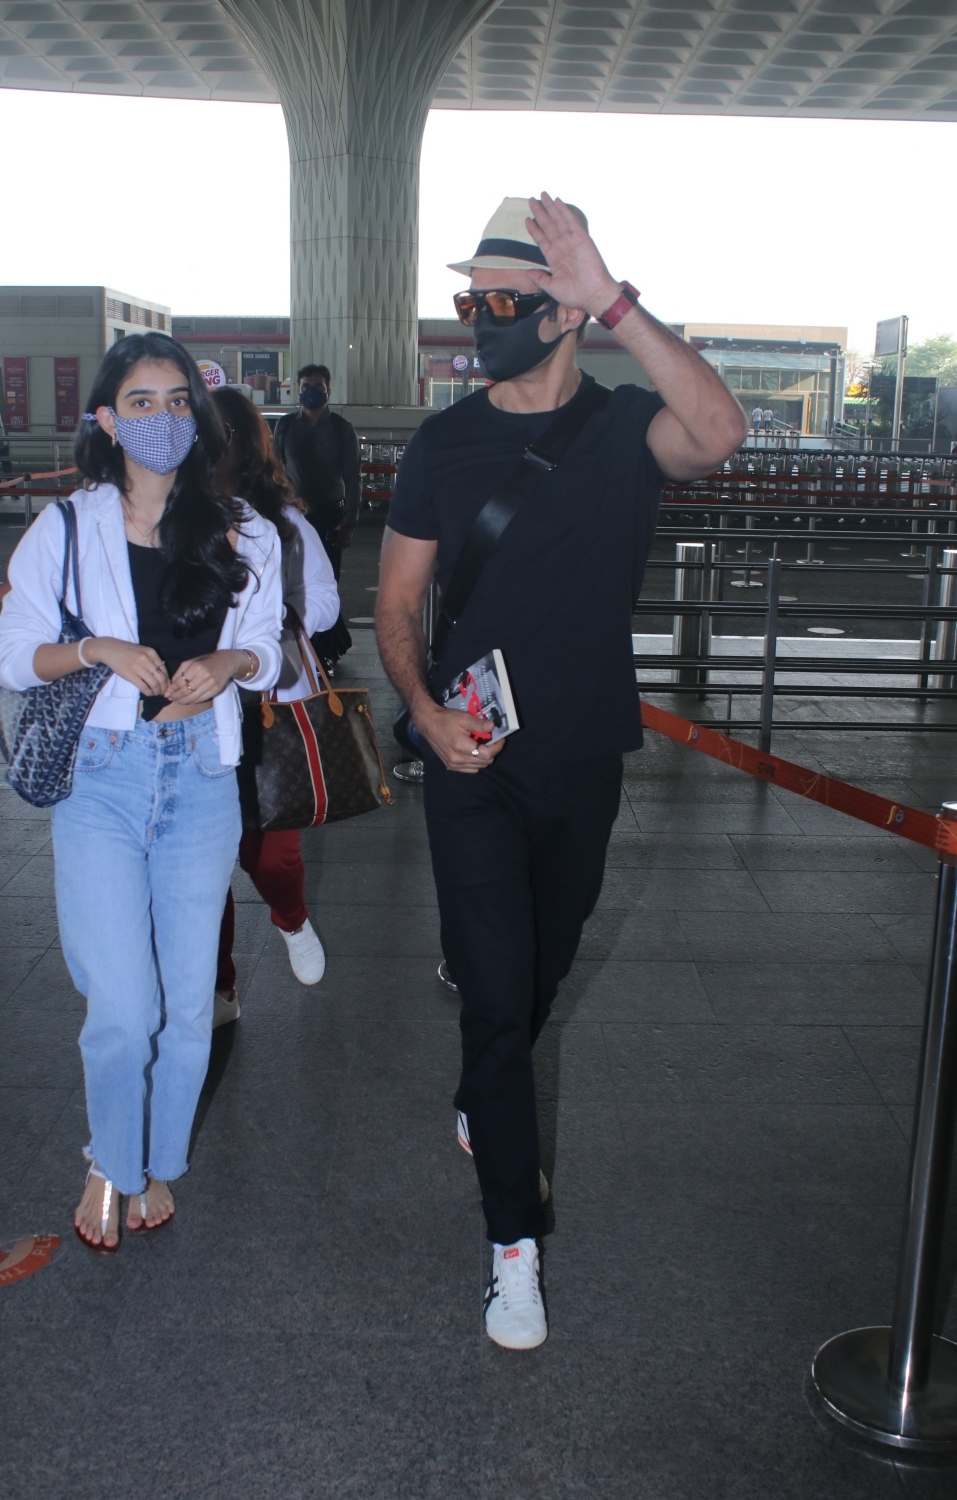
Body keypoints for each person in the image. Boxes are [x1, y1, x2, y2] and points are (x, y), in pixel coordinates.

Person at [375, 194, 746, 1351]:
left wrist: (617, 302)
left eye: (499, 301)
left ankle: (487, 1089)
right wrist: (426, 712)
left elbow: (721, 431)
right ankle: (511, 1250)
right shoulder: (445, 443)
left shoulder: (630, 425)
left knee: (534, 981)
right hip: (469, 758)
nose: (475, 320)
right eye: (466, 301)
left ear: (557, 312)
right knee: (495, 998)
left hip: (583, 752)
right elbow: (394, 604)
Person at [0, 333, 282, 1252]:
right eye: (142, 403)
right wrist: (95, 650)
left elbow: (268, 647)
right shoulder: (68, 527)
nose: (162, 420)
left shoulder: (245, 529)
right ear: (108, 419)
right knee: (122, 1002)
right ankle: (111, 1160)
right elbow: (10, 653)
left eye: (178, 401)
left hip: (198, 771)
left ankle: (153, 1160)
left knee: (190, 1002)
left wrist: (228, 661)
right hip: (103, 778)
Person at [210, 385, 340, 1024]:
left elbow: (325, 598)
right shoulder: (159, 517)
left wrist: (278, 618)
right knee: (204, 863)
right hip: (190, 713)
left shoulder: (284, 525)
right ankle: (219, 986)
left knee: (271, 850)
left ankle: (291, 918)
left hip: (271, 698)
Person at [273, 364, 359, 673]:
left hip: (330, 514)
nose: (311, 391)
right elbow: (275, 471)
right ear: (297, 389)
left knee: (326, 585)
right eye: (306, 385)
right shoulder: (284, 427)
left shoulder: (340, 428)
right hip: (295, 516)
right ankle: (319, 645)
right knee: (293, 583)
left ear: (328, 390)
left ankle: (323, 655)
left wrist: (349, 520)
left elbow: (353, 477)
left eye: (318, 386)